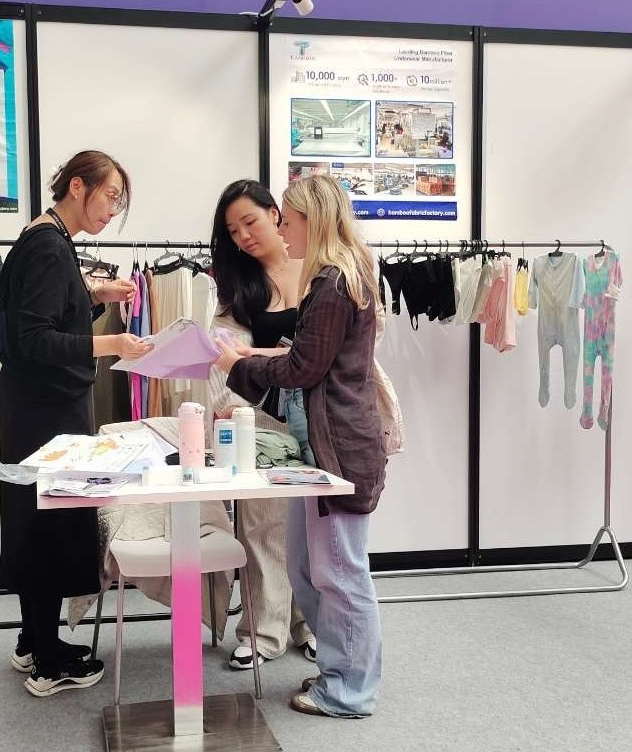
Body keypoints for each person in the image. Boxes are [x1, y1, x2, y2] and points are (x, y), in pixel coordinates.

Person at [214, 174, 386, 718]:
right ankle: (338, 671)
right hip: (318, 445)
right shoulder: (335, 278)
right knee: (309, 568)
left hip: (337, 448)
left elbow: (303, 368)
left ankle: (350, 691)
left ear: (312, 219)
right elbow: (308, 362)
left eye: (286, 220)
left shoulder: (333, 283)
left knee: (340, 575)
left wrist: (238, 364)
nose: (281, 230)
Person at [0, 150, 153, 698]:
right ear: (78, 186)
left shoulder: (47, 237)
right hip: (46, 412)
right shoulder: (48, 245)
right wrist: (113, 343)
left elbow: (46, 313)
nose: (112, 210)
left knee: (38, 519)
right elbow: (36, 339)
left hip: (35, 407)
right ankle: (47, 660)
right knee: (48, 523)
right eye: (110, 196)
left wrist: (93, 295)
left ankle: (32, 639)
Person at [207, 179, 316, 671]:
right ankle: (263, 629)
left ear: (276, 214)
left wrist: (264, 355)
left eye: (249, 222)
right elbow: (227, 356)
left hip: (320, 414)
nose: (244, 237)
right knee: (263, 523)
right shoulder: (240, 287)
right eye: (233, 231)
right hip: (263, 414)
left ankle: (312, 623)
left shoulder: (320, 269)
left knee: (317, 525)